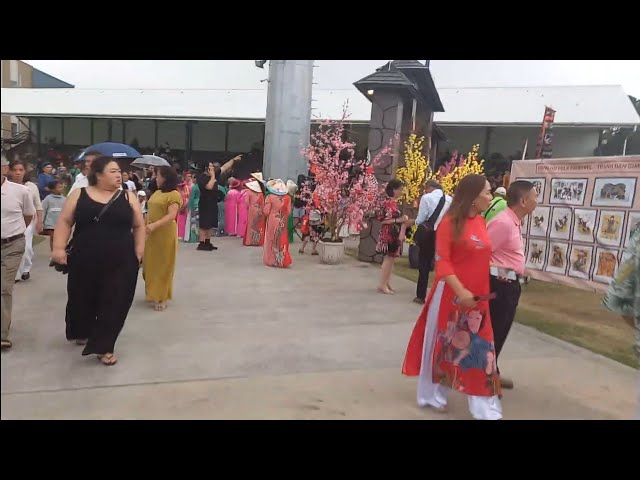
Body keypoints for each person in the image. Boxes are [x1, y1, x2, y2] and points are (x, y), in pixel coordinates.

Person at [402, 174, 502, 420]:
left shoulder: (481, 221)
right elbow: (442, 262)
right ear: (473, 196)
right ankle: (432, 394)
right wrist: (461, 292)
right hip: (451, 296)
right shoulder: (450, 222)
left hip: (479, 299)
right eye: (488, 192)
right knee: (447, 348)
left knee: (482, 349)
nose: (491, 197)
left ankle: (485, 406)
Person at [52, 156, 145, 366]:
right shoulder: (79, 194)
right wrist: (58, 248)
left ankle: (104, 346)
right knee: (82, 299)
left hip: (122, 261)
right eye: (112, 171)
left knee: (116, 302)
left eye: (119, 171)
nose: (118, 175)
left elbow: (139, 226)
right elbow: (65, 221)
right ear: (98, 174)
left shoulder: (128, 197)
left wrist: (139, 252)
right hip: (84, 260)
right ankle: (82, 329)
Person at [486, 181, 538, 390]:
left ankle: (491, 371)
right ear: (523, 201)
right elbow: (484, 253)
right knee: (495, 332)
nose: (537, 201)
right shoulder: (504, 222)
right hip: (500, 285)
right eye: (534, 196)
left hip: (509, 284)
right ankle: (485, 377)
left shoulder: (513, 221)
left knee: (501, 331)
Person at [1, 155, 36, 350]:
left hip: (12, 245)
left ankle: (2, 333)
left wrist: (13, 232)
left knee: (4, 287)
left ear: (4, 169)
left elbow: (28, 215)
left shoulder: (21, 191)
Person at [142, 166, 182, 312]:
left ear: (165, 177)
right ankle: (153, 292)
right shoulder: (157, 192)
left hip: (165, 233)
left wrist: (155, 226)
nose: (155, 178)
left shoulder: (174, 195)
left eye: (157, 175)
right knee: (149, 265)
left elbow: (172, 215)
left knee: (163, 265)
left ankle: (162, 296)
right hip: (150, 233)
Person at [413, 179, 452, 304]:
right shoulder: (449, 199)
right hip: (442, 233)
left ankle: (421, 295)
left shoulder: (426, 198)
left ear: (429, 187)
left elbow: (421, 218)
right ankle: (439, 295)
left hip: (428, 234)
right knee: (440, 263)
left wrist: (417, 223)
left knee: (424, 263)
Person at [9, 159, 43, 282]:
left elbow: (38, 205)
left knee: (27, 247)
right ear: (10, 171)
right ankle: (16, 274)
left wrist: (40, 221)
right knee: (14, 247)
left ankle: (26, 269)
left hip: (29, 220)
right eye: (15, 170)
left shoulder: (31, 187)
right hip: (12, 220)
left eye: (20, 170)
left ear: (25, 171)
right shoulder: (6, 186)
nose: (18, 173)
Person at [376, 179, 411, 295]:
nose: (401, 192)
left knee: (391, 259)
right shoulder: (386, 203)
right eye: (400, 189)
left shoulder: (394, 203)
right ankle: (382, 283)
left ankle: (386, 282)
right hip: (389, 234)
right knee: (388, 259)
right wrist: (398, 220)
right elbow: (382, 220)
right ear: (394, 189)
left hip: (395, 233)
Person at [197, 157, 240, 251]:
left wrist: (233, 160)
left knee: (211, 223)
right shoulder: (202, 177)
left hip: (213, 202)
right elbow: (209, 186)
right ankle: (202, 243)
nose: (213, 168)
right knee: (204, 224)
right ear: (206, 168)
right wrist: (212, 176)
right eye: (211, 166)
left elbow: (224, 167)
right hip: (205, 204)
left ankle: (208, 242)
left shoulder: (214, 174)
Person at [263, 179, 293, 268]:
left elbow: (266, 211)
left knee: (271, 238)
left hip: (273, 220)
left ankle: (272, 260)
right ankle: (281, 259)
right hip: (282, 220)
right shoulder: (288, 198)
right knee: (281, 239)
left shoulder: (270, 197)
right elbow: (289, 212)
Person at [41, 180, 66, 260]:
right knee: (53, 239)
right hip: (51, 224)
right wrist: (41, 222)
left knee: (61, 239)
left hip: (61, 224)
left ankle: (61, 252)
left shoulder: (64, 199)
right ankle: (53, 254)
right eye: (59, 187)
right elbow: (43, 210)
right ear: (52, 189)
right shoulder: (48, 199)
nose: (61, 189)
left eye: (62, 187)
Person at [243, 180, 266, 247]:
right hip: (260, 209)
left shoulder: (249, 192)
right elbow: (263, 203)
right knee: (258, 225)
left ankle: (249, 241)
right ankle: (257, 241)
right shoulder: (261, 193)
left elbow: (246, 202)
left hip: (252, 209)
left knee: (251, 225)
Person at [176, 171, 193, 241]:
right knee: (180, 220)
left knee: (185, 220)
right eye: (188, 176)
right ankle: (180, 234)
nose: (189, 178)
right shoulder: (180, 188)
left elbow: (190, 197)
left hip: (186, 205)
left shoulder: (189, 187)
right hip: (180, 205)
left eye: (190, 176)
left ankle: (184, 235)